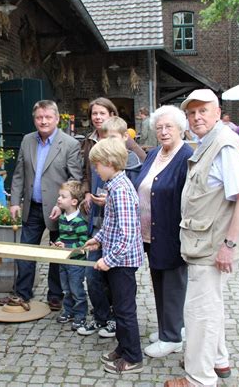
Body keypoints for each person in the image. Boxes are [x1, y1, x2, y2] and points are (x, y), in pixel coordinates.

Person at [165, 90, 239, 387]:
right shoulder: (210, 143)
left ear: (218, 112)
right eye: (191, 113)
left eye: (203, 111)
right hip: (206, 243)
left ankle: (198, 379)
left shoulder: (224, 145)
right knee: (211, 306)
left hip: (212, 246)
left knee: (199, 313)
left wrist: (228, 247)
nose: (197, 117)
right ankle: (218, 361)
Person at [1, 100, 82, 311]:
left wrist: (64, 206)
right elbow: (18, 174)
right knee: (26, 253)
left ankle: (55, 295)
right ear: (34, 119)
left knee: (56, 253)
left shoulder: (70, 144)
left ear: (56, 118)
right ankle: (22, 293)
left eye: (48, 117)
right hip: (32, 207)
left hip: (58, 209)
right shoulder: (27, 140)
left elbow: (75, 180)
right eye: (39, 117)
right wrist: (14, 202)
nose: (43, 121)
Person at [78, 98, 145, 338]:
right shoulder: (98, 159)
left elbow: (127, 227)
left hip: (121, 246)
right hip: (101, 225)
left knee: (121, 295)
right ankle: (103, 320)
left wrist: (112, 257)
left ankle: (126, 342)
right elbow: (87, 175)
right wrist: (97, 237)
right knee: (93, 278)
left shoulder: (124, 180)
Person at [133, 105, 193, 358]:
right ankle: (170, 329)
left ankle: (172, 338)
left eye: (168, 126)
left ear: (180, 128)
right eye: (159, 127)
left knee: (173, 284)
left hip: (172, 232)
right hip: (150, 233)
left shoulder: (187, 156)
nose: (163, 131)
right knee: (159, 281)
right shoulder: (155, 153)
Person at [85, 137, 144, 375]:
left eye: (97, 165)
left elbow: (128, 235)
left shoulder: (120, 190)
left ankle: (133, 357)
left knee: (125, 310)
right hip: (116, 260)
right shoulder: (114, 186)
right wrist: (98, 239)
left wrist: (107, 260)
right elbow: (112, 223)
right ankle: (123, 346)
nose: (96, 170)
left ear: (109, 163)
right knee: (119, 309)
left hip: (122, 263)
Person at [53, 181, 88, 331]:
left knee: (76, 289)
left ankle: (80, 314)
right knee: (66, 289)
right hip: (64, 261)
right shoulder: (62, 219)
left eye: (63, 196)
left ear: (74, 201)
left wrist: (66, 247)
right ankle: (69, 311)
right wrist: (58, 243)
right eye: (59, 196)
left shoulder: (79, 221)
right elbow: (63, 237)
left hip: (76, 263)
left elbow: (83, 245)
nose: (59, 199)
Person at [102, 116, 143, 184]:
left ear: (125, 136)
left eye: (113, 137)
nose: (109, 142)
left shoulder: (133, 163)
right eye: (105, 138)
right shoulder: (104, 159)